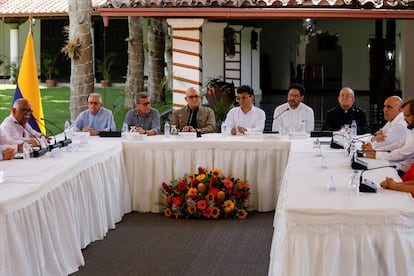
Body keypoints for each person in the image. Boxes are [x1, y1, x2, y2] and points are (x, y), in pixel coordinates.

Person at [362, 99, 414, 173]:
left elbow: (402, 154)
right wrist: (373, 151)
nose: (404, 119)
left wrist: (375, 154)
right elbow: (396, 145)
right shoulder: (412, 130)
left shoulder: (400, 125)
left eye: (407, 115)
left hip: (404, 172)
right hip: (398, 166)